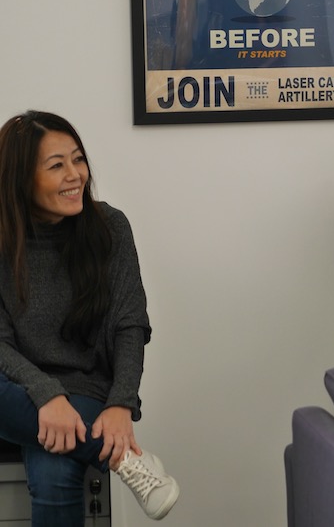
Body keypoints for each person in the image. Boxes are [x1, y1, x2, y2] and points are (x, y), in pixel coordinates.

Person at [0, 111, 179, 525]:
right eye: (56, 165)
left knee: (54, 472)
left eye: (77, 160)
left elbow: (130, 324)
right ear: (20, 179)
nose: (75, 175)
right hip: (16, 389)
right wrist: (46, 394)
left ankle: (101, 441)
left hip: (86, 392)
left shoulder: (109, 228)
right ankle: (124, 460)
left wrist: (121, 404)